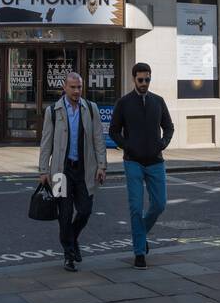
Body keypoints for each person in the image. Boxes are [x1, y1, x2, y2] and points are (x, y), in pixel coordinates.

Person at [38, 72, 107, 273]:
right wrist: (44, 169)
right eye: (73, 87)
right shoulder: (53, 111)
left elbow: (98, 139)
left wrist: (102, 166)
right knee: (65, 215)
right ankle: (68, 254)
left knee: (85, 210)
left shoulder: (91, 109)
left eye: (79, 87)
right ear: (64, 88)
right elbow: (46, 142)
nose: (77, 91)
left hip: (85, 170)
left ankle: (73, 238)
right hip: (61, 172)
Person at [109, 62, 174, 268]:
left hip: (155, 161)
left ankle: (140, 234)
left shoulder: (158, 101)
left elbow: (169, 127)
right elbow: (113, 131)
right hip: (133, 163)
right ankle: (139, 253)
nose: (144, 83)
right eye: (141, 80)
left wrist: (162, 143)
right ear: (133, 79)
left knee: (159, 204)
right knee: (136, 208)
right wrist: (127, 146)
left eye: (147, 79)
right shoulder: (124, 103)